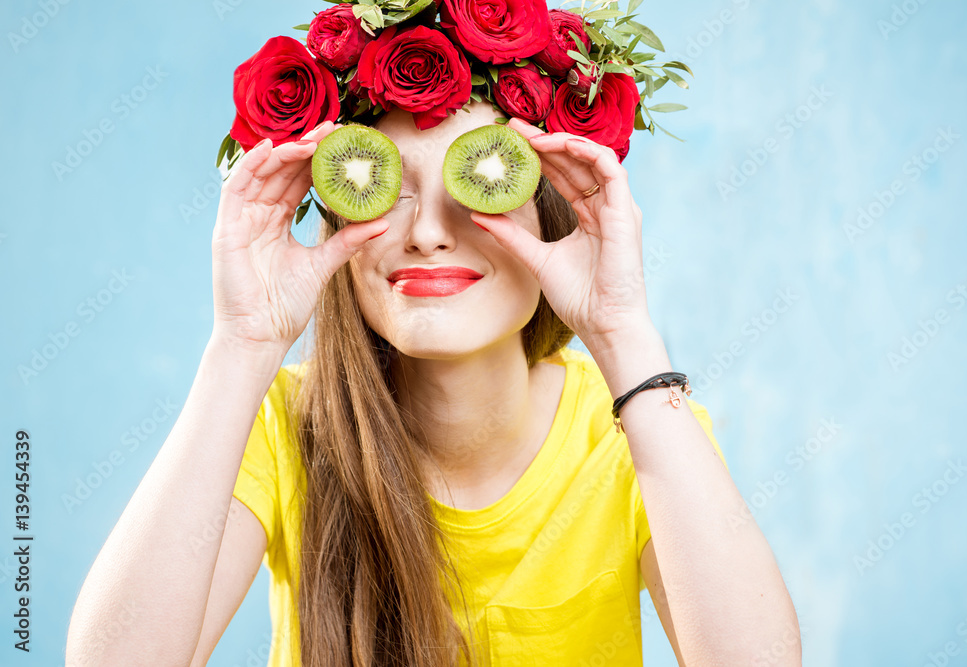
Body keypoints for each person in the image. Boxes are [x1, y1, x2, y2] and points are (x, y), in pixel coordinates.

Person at [66, 98, 799, 666]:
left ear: (550, 217)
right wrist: (242, 342)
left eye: (477, 181)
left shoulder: (637, 433)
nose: (427, 232)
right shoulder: (285, 426)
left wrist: (623, 330)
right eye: (388, 189)